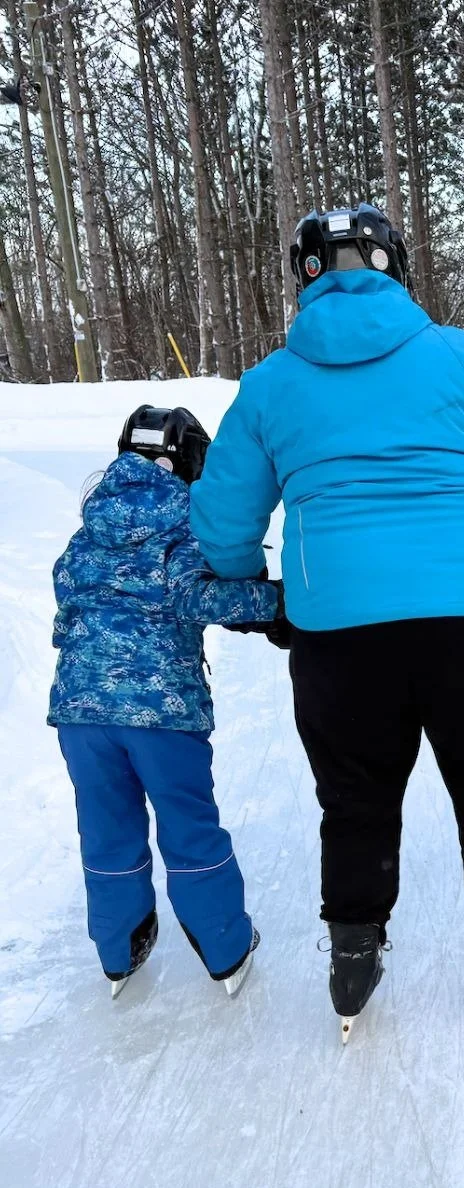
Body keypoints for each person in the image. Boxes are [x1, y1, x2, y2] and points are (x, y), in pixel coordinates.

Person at [189, 204, 464, 1038]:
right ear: (395, 267)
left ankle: (353, 953)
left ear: (304, 276)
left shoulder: (270, 385)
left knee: (356, 796)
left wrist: (249, 584)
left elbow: (223, 526)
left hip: (337, 635)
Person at [48, 406, 286, 997]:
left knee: (105, 828)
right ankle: (225, 949)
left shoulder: (90, 524)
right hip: (161, 713)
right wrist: (278, 602)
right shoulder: (183, 516)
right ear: (184, 459)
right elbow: (196, 597)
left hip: (80, 714)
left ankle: (118, 951)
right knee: (187, 826)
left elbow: (64, 593)